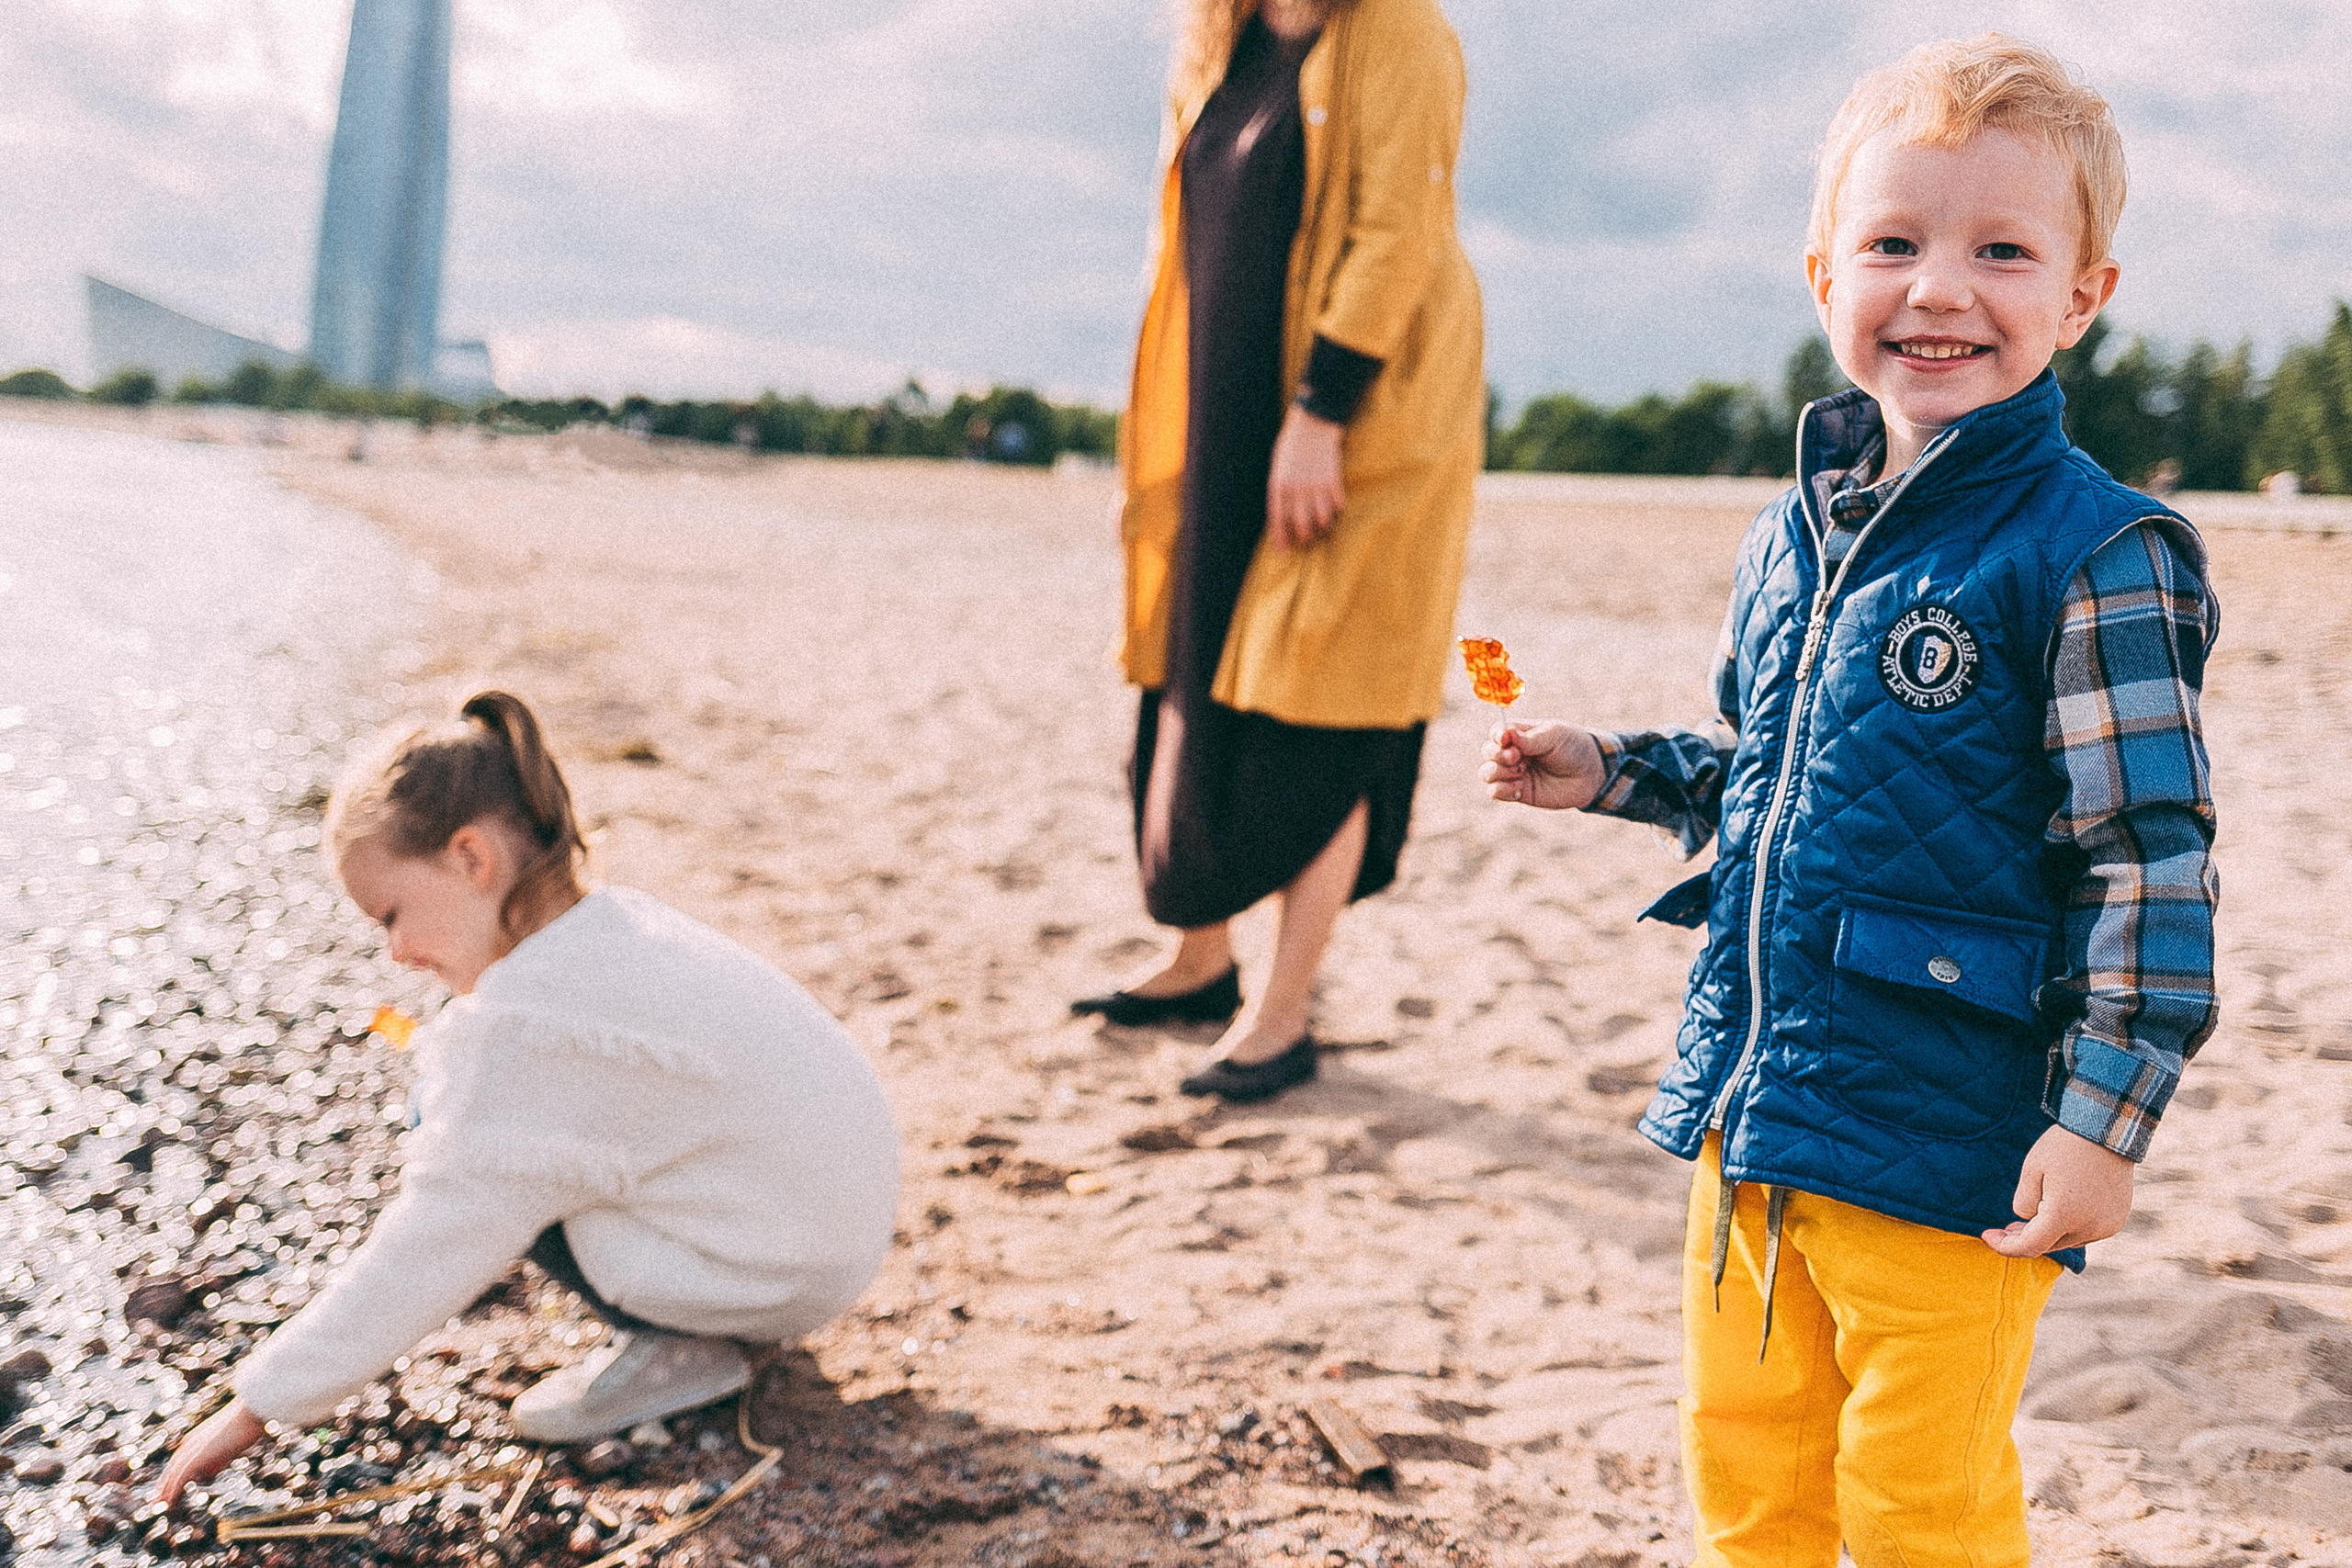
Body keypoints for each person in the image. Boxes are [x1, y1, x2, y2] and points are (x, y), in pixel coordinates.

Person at [1482, 37, 2217, 1567]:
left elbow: (2147, 861)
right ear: (1824, 274)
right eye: (1894, 243)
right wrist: (1612, 770)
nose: (1939, 288)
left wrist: (2107, 1124)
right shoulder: (1789, 533)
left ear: (2081, 297)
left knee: (1918, 1501)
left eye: (2001, 251)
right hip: (1756, 1102)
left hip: (1953, 1136)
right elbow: (1773, 769)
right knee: (1751, 1464)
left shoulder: (2098, 548)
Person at [158, 693, 898, 1502]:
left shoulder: (528, 1031)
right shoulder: (618, 925)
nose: (397, 952)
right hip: (832, 1240)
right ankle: (717, 1316)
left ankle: (685, 1348)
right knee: (466, 1095)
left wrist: (257, 1405)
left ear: (472, 858)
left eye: (391, 914)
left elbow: (433, 1243)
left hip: (775, 1274)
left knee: (462, 1125)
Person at [1077, 0, 1484, 1104]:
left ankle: (1281, 1012)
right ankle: (1201, 960)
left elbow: (1399, 228)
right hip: (1220, 413)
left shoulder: (1402, 32)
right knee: (1187, 674)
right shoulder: (1217, 42)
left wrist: (1320, 414)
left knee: (1325, 702)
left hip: (1354, 421)